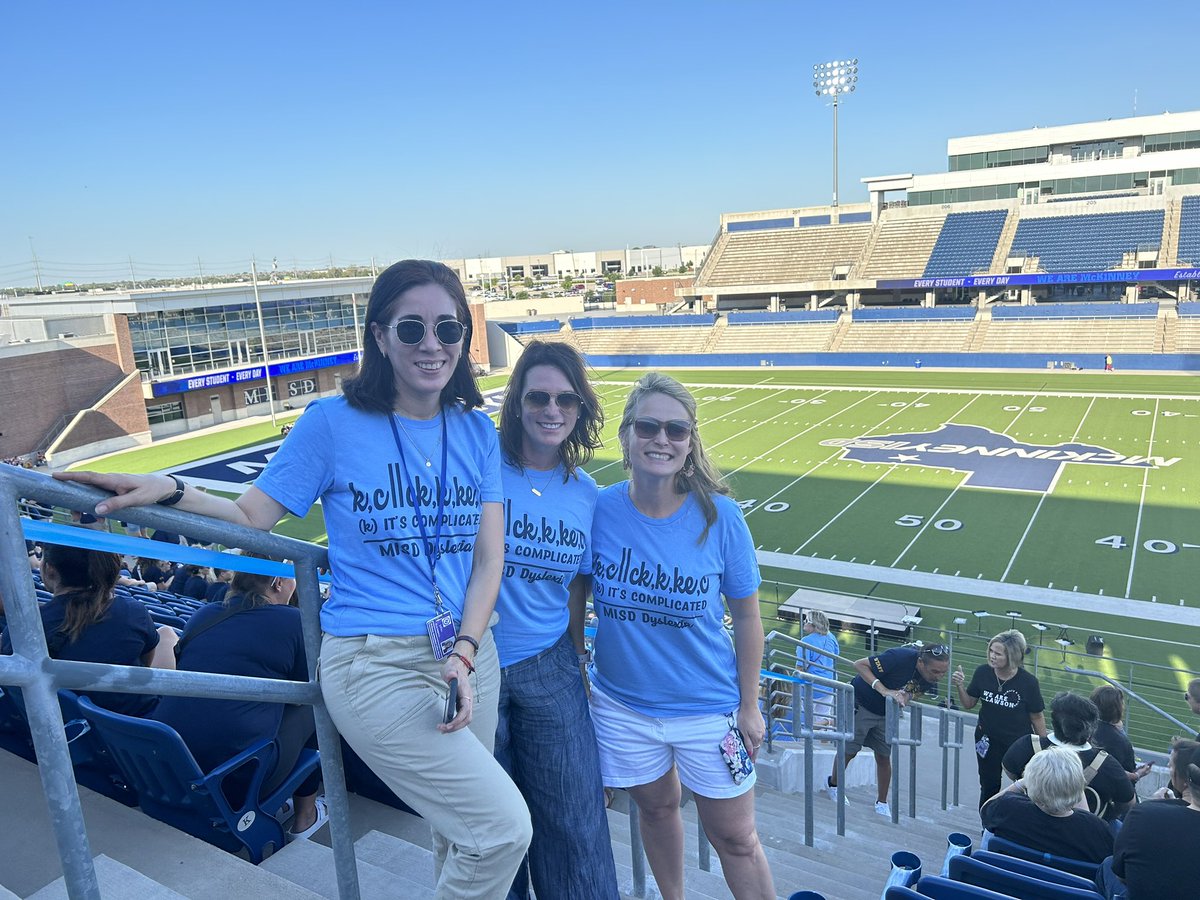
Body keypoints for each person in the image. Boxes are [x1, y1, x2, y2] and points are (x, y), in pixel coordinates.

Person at [58, 260, 532, 899]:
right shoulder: (331, 423)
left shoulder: (475, 429)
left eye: (447, 328)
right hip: (375, 664)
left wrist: (467, 652)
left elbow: (488, 560)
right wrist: (172, 491)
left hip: (469, 655)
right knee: (502, 830)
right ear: (381, 335)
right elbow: (252, 516)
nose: (432, 344)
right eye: (412, 326)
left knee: (459, 831)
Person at [588, 372, 775, 900]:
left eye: (676, 430)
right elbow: (574, 590)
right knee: (654, 807)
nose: (661, 440)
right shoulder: (599, 508)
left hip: (707, 709)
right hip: (623, 706)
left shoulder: (722, 517)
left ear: (691, 442)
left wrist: (750, 705)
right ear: (625, 435)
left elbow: (747, 617)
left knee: (736, 838)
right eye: (648, 426)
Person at [492, 340, 617, 899]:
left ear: (581, 408)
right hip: (475, 662)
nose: (552, 409)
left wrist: (577, 659)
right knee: (494, 829)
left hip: (550, 665)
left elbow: (576, 591)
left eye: (566, 399)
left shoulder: (586, 493)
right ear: (517, 400)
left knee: (576, 823)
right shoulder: (480, 464)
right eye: (539, 395)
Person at [153, 560, 325, 839]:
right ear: (278, 583)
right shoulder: (293, 621)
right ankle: (306, 816)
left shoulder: (205, 613)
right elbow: (305, 695)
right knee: (318, 706)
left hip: (175, 763)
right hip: (236, 775)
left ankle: (286, 804)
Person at [0, 544, 177, 715]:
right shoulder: (132, 612)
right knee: (167, 633)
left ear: (48, 569)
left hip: (63, 725)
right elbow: (146, 665)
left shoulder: (24, 626)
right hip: (128, 725)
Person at [826, 643, 950, 817]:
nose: (939, 676)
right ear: (921, 662)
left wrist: (906, 696)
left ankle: (882, 802)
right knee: (849, 751)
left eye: (944, 672)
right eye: (936, 672)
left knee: (884, 756)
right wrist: (884, 690)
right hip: (861, 703)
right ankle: (834, 785)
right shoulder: (899, 657)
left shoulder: (931, 676)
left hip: (886, 713)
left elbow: (917, 690)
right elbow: (859, 664)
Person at [1002, 691, 1134, 822]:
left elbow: (1009, 770)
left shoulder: (1027, 745)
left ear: (1054, 722)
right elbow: (1128, 802)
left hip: (1026, 821)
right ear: (1091, 729)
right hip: (1080, 834)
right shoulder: (1107, 765)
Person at [952, 629, 1047, 809]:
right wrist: (960, 686)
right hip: (987, 741)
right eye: (991, 651)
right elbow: (969, 703)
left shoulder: (1028, 683)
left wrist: (1044, 747)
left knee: (1025, 786)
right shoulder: (983, 672)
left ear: (1012, 656)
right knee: (988, 785)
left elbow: (1037, 716)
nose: (992, 656)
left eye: (998, 653)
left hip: (1018, 744)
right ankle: (987, 824)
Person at [1096, 739, 1200, 899]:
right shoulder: (1145, 814)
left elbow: (1121, 876)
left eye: (1171, 765)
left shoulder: (1143, 814)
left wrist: (1151, 808)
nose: (1169, 768)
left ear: (1188, 778)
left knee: (1108, 864)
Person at [982, 746, 1114, 864]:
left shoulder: (1008, 808)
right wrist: (1076, 787)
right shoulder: (1097, 830)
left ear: (1030, 784)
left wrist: (1021, 783)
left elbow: (985, 810)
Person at [1090, 685, 1151, 785]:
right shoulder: (1121, 742)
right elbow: (1126, 782)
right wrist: (1138, 774)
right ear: (1118, 709)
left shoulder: (1081, 730)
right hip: (1109, 796)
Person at [797, 610, 839, 729]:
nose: (804, 623)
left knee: (805, 718)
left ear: (813, 624)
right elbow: (835, 657)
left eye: (806, 621)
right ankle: (826, 730)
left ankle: (809, 740)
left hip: (812, 686)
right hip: (830, 683)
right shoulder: (831, 637)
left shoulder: (806, 641)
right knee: (823, 715)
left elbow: (800, 667)